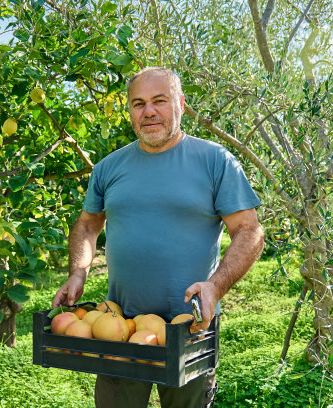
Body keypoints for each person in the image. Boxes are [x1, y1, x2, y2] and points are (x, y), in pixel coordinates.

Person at [52, 67, 264, 408]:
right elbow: (88, 224)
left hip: (190, 327)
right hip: (119, 326)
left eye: (159, 101)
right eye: (138, 103)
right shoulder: (109, 167)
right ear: (130, 112)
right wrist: (78, 272)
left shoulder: (214, 161)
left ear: (180, 104)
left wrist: (215, 286)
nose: (148, 111)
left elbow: (249, 230)